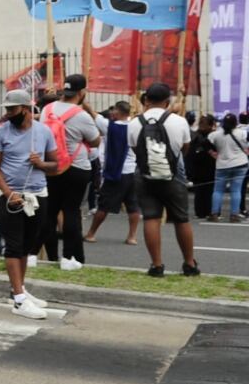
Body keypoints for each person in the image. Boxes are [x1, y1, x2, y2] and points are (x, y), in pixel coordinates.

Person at [0, 90, 59, 319]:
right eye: (6, 109)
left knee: (28, 246)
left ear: (26, 108)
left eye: (12, 109)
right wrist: (7, 192)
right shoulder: (0, 132)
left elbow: (56, 165)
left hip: (38, 194)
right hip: (12, 196)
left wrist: (41, 163)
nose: (8, 113)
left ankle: (19, 290)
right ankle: (19, 299)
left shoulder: (44, 131)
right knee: (14, 246)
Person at [127, 83, 200, 277]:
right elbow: (185, 149)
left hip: (145, 175)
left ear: (146, 100)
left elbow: (135, 150)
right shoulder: (179, 121)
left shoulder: (135, 122)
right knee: (182, 219)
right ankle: (189, 263)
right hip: (173, 175)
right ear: (167, 101)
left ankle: (157, 265)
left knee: (151, 217)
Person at [38, 74, 101, 271]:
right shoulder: (81, 115)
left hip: (51, 166)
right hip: (76, 167)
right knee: (71, 212)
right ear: (82, 93)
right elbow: (95, 141)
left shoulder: (46, 110)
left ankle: (52, 256)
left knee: (50, 212)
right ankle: (68, 257)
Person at [85, 103, 142, 246]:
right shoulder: (134, 126)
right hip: (132, 170)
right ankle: (132, 236)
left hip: (116, 172)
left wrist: (83, 101)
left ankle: (91, 233)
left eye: (114, 110)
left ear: (118, 112)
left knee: (103, 205)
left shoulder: (111, 126)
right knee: (133, 205)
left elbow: (93, 113)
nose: (112, 112)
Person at [208, 112, 249, 222]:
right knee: (236, 190)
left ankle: (214, 214)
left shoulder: (216, 134)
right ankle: (234, 215)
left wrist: (212, 152)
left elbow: (205, 142)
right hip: (240, 164)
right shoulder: (242, 133)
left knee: (218, 191)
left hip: (222, 165)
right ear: (236, 122)